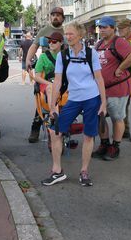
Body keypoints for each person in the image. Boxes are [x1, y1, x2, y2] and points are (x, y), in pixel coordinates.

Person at [45, 21, 107, 186]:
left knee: (88, 135)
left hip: (91, 98)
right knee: (55, 132)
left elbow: (99, 78)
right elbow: (57, 82)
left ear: (80, 35)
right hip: (73, 99)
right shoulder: (63, 55)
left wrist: (103, 102)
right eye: (66, 33)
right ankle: (57, 171)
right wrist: (53, 105)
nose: (68, 36)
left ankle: (84, 171)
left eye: (71, 33)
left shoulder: (90, 53)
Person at [93, 16, 131, 160]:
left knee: (116, 117)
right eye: (100, 27)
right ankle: (104, 143)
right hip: (102, 89)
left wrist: (120, 68)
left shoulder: (119, 42)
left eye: (105, 27)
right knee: (99, 117)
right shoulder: (99, 44)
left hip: (117, 88)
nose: (102, 30)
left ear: (113, 28)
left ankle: (115, 146)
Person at [25, 7, 65, 143]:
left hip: (63, 72)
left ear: (63, 17)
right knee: (42, 102)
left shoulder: (67, 31)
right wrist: (27, 60)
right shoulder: (44, 31)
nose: (55, 17)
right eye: (53, 15)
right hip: (47, 72)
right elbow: (34, 46)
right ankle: (35, 129)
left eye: (58, 15)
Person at [32, 31, 64, 115]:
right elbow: (37, 77)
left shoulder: (66, 55)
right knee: (51, 88)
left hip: (63, 82)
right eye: (49, 41)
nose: (51, 44)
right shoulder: (43, 57)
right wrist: (50, 83)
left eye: (54, 41)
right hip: (47, 83)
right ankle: (54, 114)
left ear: (61, 43)